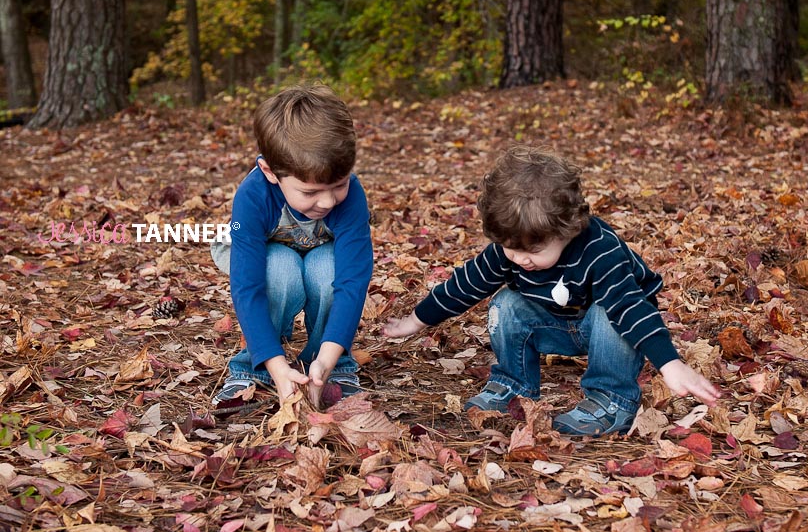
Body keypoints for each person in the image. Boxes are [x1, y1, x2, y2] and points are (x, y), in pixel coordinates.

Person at [382, 146, 719, 436]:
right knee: (506, 302)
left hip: (609, 332)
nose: (520, 260)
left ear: (568, 229)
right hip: (555, 325)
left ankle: (610, 399)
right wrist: (414, 322)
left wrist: (669, 363)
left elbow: (631, 307)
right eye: (511, 249)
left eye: (534, 251)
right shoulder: (512, 248)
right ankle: (514, 385)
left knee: (609, 311)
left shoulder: (600, 251)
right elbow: (465, 284)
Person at [210, 84, 373, 410]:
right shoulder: (252, 197)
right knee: (281, 269)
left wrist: (328, 358)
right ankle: (254, 363)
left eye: (339, 185)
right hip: (266, 259)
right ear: (270, 172)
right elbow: (248, 286)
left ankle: (328, 365)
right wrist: (275, 363)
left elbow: (352, 280)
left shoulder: (351, 195)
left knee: (327, 269)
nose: (327, 201)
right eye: (310, 192)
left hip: (319, 254)